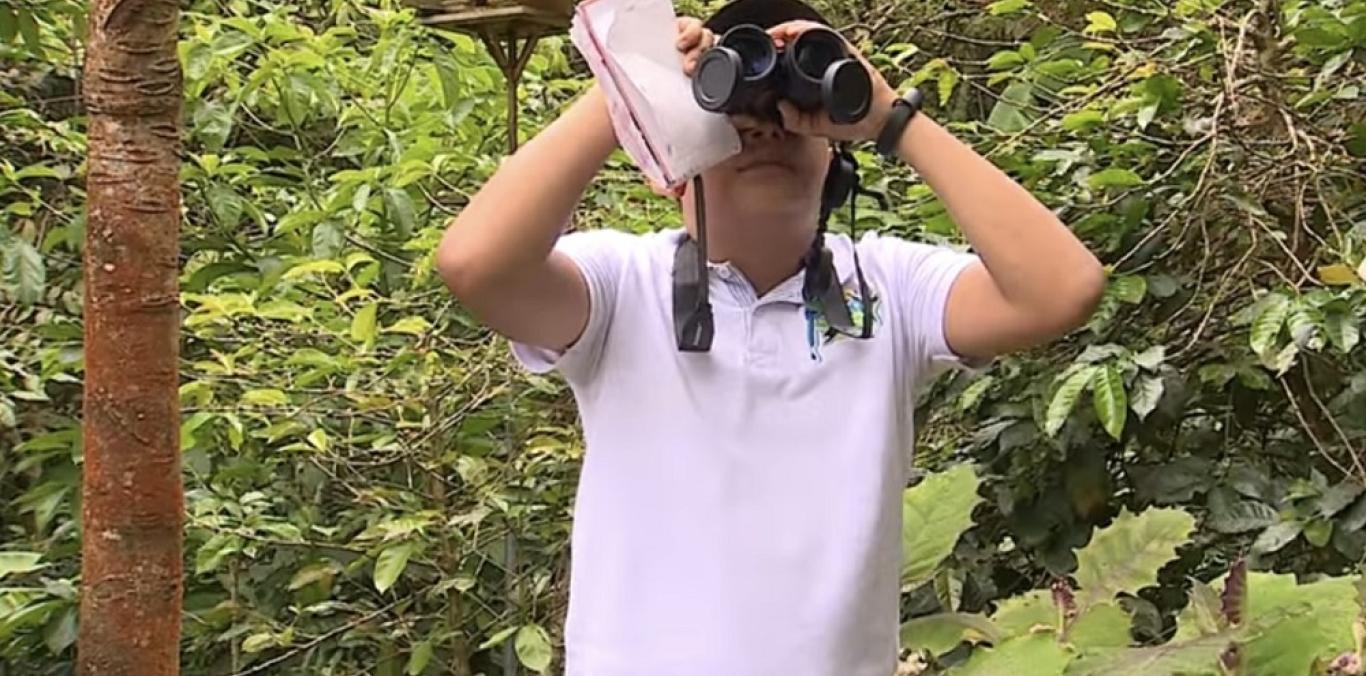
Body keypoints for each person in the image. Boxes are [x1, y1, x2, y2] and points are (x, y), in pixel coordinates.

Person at [436, 0, 1104, 673]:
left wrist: (892, 119)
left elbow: (1062, 289)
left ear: (836, 161)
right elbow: (476, 264)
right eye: (730, 110)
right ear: (670, 166)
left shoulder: (889, 290)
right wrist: (633, 87)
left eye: (789, 111)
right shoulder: (621, 287)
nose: (763, 125)